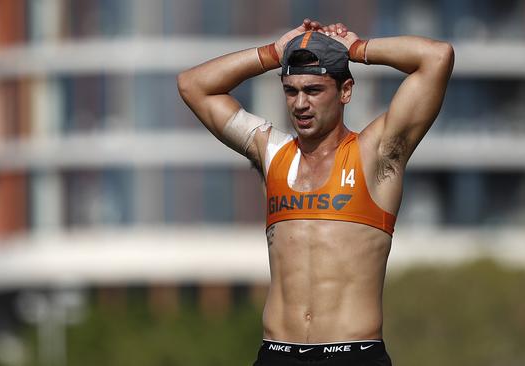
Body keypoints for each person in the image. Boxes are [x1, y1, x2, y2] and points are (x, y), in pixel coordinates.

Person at [177, 18, 454, 366]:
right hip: (277, 353)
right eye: (291, 91)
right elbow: (192, 85)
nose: (300, 104)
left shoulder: (377, 152)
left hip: (353, 355)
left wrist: (359, 49)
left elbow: (436, 57)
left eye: (313, 90)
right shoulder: (272, 152)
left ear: (345, 91)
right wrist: (272, 53)